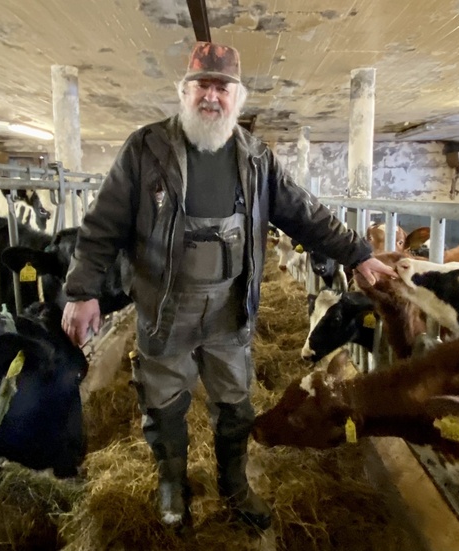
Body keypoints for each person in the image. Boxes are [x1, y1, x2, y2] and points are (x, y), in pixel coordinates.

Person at [61, 41, 396, 530]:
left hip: (231, 306)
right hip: (164, 304)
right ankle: (173, 484)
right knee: (163, 401)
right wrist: (81, 290)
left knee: (235, 402)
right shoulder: (146, 149)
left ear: (238, 97)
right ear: (184, 91)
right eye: (203, 85)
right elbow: (102, 225)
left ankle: (234, 485)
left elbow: (305, 214)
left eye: (223, 87)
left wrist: (358, 252)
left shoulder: (257, 157)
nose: (212, 97)